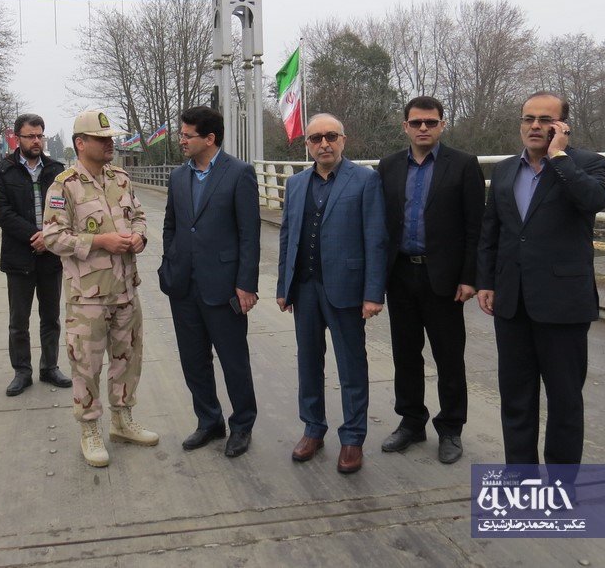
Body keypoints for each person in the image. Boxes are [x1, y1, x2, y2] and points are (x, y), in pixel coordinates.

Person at [477, 92, 605, 465]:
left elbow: (593, 200)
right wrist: (486, 281)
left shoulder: (588, 164)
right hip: (512, 302)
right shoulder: (504, 170)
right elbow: (494, 230)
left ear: (563, 126)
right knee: (516, 400)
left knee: (565, 401)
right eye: (528, 119)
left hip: (564, 304)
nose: (535, 126)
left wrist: (559, 157)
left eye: (545, 120)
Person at [43, 109, 158, 467]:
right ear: (81, 143)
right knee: (86, 364)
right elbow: (52, 237)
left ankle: (122, 420)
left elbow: (138, 215)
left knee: (128, 359)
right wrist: (99, 240)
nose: (110, 144)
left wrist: (139, 236)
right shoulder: (64, 186)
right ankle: (89, 427)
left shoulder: (120, 179)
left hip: (125, 290)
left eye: (111, 139)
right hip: (88, 296)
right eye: (102, 139)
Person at [377, 97, 485, 464]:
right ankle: (411, 422)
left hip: (444, 278)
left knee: (449, 356)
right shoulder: (389, 166)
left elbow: (476, 227)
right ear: (405, 126)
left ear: (442, 125)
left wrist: (470, 277)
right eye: (417, 122)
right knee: (405, 354)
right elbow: (382, 226)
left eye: (431, 122)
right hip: (401, 273)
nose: (424, 128)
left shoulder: (463, 165)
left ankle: (451, 428)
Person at [277, 113, 387, 473]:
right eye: (315, 138)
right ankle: (313, 428)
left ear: (343, 140)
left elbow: (376, 239)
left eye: (330, 137)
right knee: (309, 361)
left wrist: (373, 294)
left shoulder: (366, 180)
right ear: (307, 144)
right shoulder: (295, 184)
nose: (323, 144)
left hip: (347, 290)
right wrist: (284, 286)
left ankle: (353, 437)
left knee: (351, 366)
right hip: (305, 288)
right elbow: (287, 237)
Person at [159, 106, 261, 458]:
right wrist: (167, 265)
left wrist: (246, 284)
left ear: (210, 138)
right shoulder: (177, 177)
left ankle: (242, 424)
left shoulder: (239, 174)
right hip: (184, 286)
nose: (181, 140)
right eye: (182, 134)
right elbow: (171, 226)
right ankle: (209, 421)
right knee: (193, 359)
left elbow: (250, 234)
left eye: (187, 135)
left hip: (224, 286)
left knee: (234, 360)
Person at [0, 113, 72, 397]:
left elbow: (67, 211)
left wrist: (48, 238)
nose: (36, 141)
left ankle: (50, 367)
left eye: (40, 136)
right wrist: (32, 236)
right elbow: (1, 212)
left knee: (51, 316)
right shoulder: (4, 170)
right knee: (19, 320)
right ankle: (21, 372)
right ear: (18, 138)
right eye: (30, 136)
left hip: (51, 255)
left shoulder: (57, 171)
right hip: (19, 256)